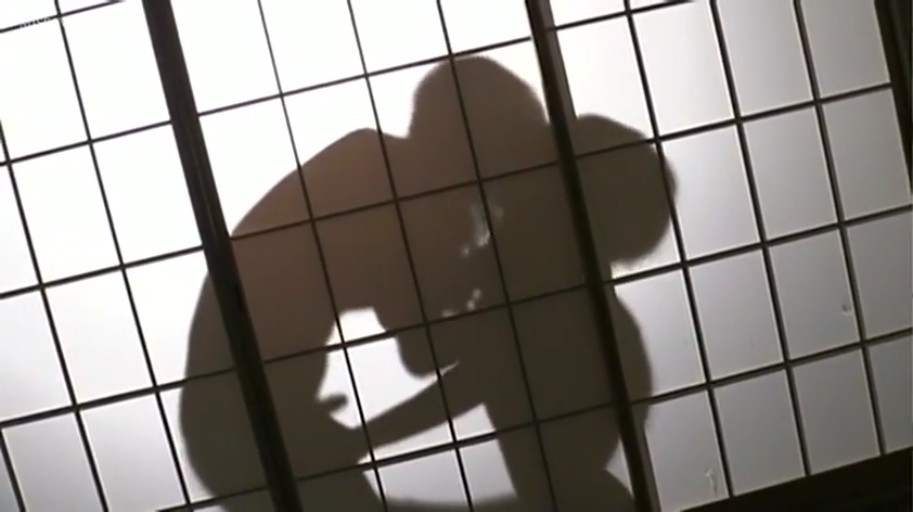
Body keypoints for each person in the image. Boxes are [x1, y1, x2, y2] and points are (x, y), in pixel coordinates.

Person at [180, 55, 675, 511]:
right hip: (241, 417)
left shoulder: (371, 162)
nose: (507, 186)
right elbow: (429, 352)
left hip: (241, 407)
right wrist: (491, 294)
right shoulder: (397, 197)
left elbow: (456, 353)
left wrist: (488, 294)